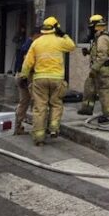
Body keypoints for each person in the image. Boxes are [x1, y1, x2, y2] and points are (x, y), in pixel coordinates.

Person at [19, 16, 76, 146]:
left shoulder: (36, 42)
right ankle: (54, 129)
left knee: (40, 107)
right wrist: (64, 34)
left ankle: (39, 137)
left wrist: (24, 76)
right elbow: (72, 46)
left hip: (39, 79)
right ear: (56, 27)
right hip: (57, 79)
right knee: (56, 104)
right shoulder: (59, 41)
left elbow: (28, 62)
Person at [77, 15, 109, 123]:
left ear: (96, 26)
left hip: (102, 70)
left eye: (91, 26)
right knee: (89, 87)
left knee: (104, 91)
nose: (90, 29)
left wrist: (94, 69)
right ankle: (87, 109)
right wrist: (88, 52)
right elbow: (98, 52)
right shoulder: (99, 37)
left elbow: (103, 56)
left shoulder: (102, 38)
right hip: (99, 69)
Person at [14, 28, 41, 135]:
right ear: (36, 35)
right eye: (40, 36)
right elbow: (27, 63)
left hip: (21, 76)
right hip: (26, 77)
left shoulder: (27, 44)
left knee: (24, 102)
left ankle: (17, 126)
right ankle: (37, 129)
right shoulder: (30, 46)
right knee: (35, 102)